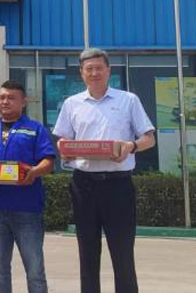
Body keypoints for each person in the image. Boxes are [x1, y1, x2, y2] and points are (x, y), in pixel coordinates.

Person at [53, 48, 156, 293]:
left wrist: (131, 146)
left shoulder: (128, 100)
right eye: (89, 69)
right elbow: (62, 139)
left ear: (108, 71)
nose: (94, 73)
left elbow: (149, 138)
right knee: (87, 251)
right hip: (84, 185)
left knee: (122, 251)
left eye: (99, 68)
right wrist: (63, 149)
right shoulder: (72, 104)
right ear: (81, 73)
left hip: (118, 185)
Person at [0, 80, 56, 293]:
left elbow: (48, 161)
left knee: (35, 270)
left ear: (23, 102)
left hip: (27, 210)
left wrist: (34, 172)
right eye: (2, 97)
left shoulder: (35, 130)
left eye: (11, 98)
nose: (5, 102)